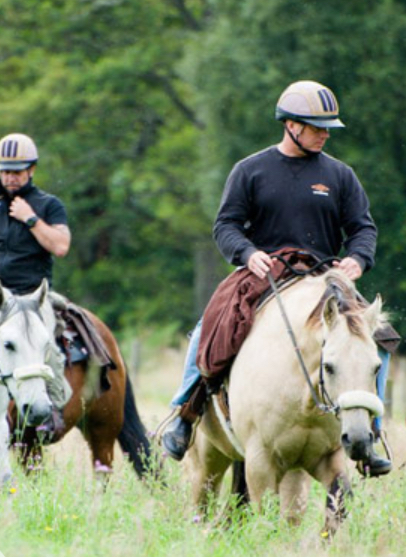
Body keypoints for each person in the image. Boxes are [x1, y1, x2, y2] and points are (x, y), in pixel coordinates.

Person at [162, 80, 393, 476]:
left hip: (325, 276)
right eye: (316, 127)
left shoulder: (340, 175)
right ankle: (185, 411)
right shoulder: (250, 170)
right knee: (209, 327)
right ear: (290, 125)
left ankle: (371, 432)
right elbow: (226, 225)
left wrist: (356, 259)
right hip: (265, 273)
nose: (324, 134)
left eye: (327, 129)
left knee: (379, 339)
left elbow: (362, 228)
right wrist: (248, 253)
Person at [0, 133, 71, 293]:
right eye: (5, 172)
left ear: (31, 170)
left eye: (16, 172)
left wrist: (30, 218)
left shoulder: (50, 204)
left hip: (34, 294)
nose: (10, 178)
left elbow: (61, 247)